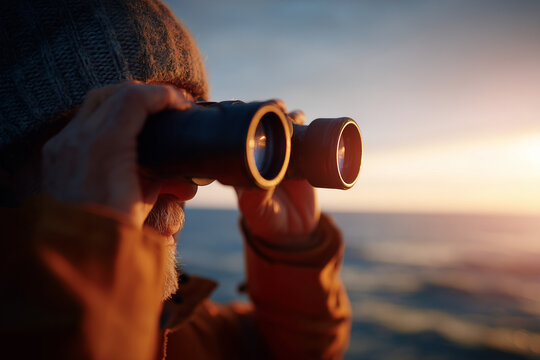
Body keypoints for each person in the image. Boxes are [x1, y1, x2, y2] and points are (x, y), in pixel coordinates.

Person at [0, 0, 352, 359]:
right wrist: (88, 246)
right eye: (139, 143)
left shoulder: (179, 326)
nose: (184, 190)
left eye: (184, 138)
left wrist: (290, 250)